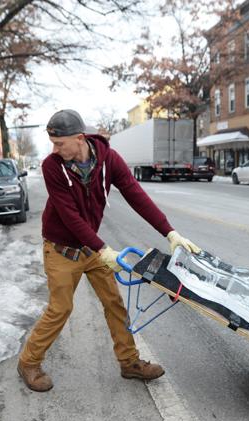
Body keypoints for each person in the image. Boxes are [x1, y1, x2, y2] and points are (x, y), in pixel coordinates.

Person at [17, 109, 201, 392]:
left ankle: (129, 363)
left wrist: (169, 232)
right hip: (61, 250)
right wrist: (103, 249)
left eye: (59, 143)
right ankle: (29, 362)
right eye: (52, 143)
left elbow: (136, 195)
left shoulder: (108, 160)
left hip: (91, 249)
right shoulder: (52, 166)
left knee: (114, 303)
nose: (54, 149)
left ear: (79, 138)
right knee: (60, 309)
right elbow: (69, 216)